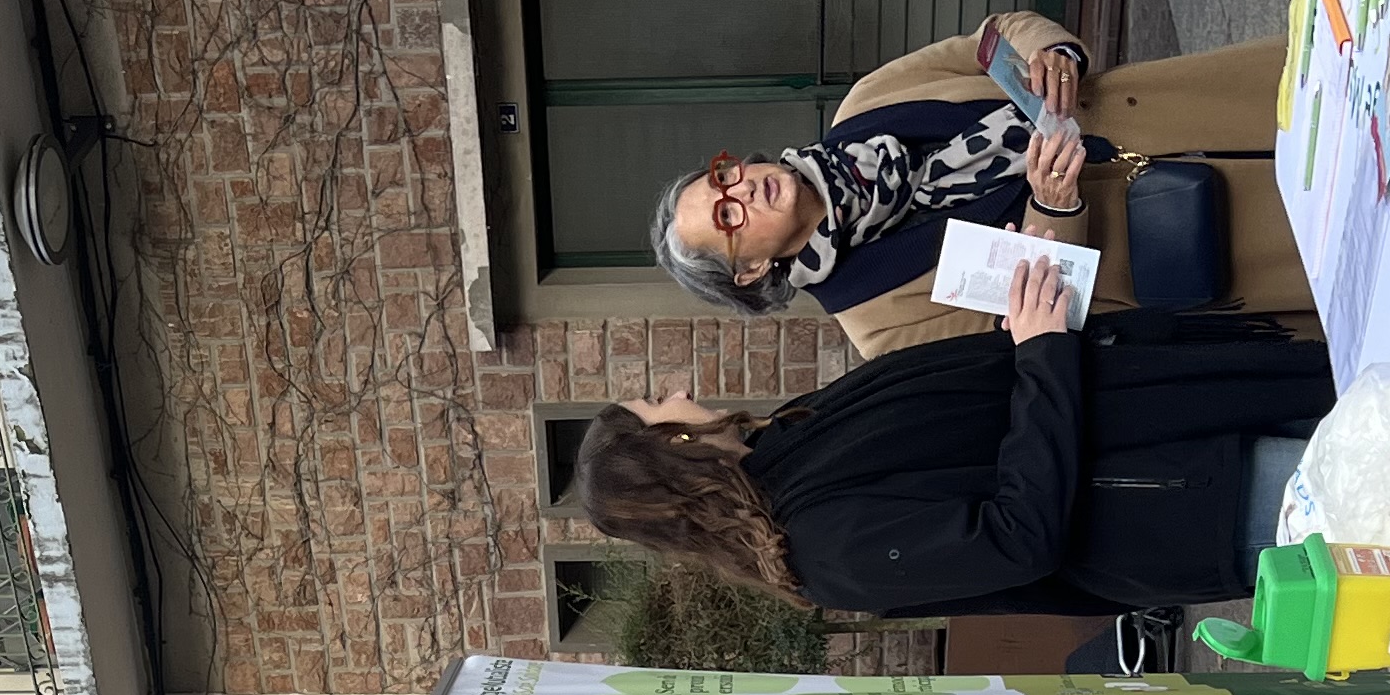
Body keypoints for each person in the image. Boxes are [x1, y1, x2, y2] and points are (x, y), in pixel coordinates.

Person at [570, 275, 1332, 620]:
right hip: (1193, 499)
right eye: (657, 402)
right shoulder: (818, 550)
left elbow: (971, 421)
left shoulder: (790, 438)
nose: (674, 387)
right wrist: (1038, 358)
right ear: (671, 443)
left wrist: (1020, 339)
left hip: (1185, 416)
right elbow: (1015, 537)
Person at [652, 12, 1312, 355]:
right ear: (751, 271)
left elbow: (989, 38)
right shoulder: (879, 324)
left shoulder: (864, 106)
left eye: (724, 177)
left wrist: (1053, 52)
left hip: (1211, 103)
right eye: (728, 216)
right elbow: (1044, 329)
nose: (743, 189)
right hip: (1215, 238)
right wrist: (1057, 208)